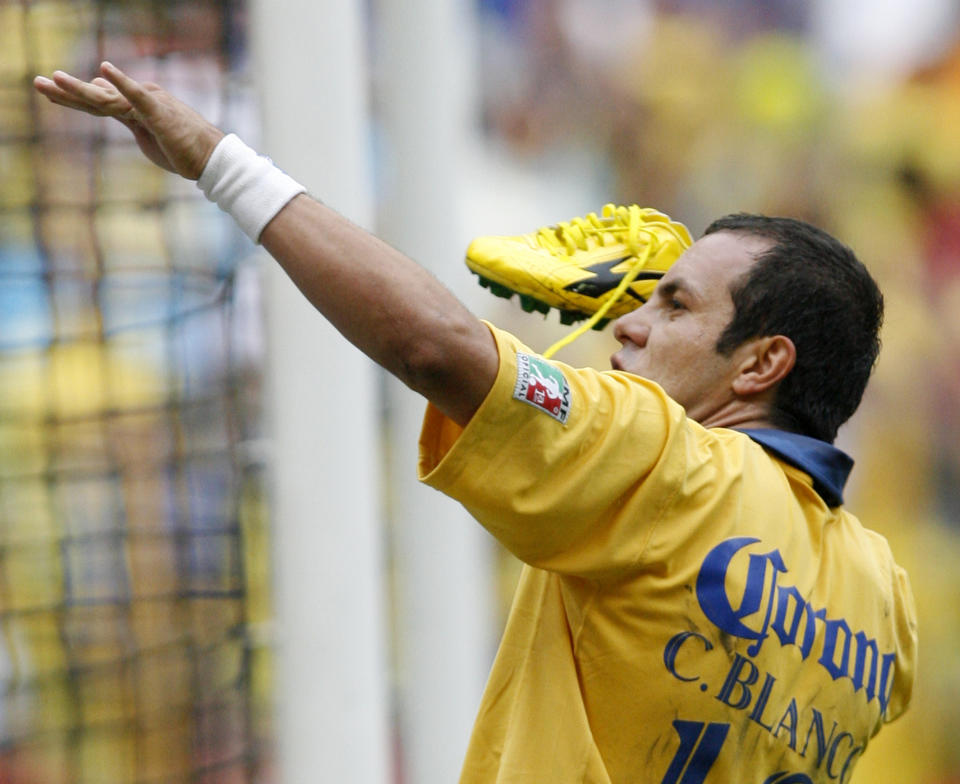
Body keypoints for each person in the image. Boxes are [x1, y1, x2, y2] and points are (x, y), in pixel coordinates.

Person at [34, 63, 916, 784]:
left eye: (673, 304)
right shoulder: (886, 603)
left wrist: (220, 163)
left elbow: (436, 348)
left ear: (763, 363)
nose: (628, 321)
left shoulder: (669, 466)